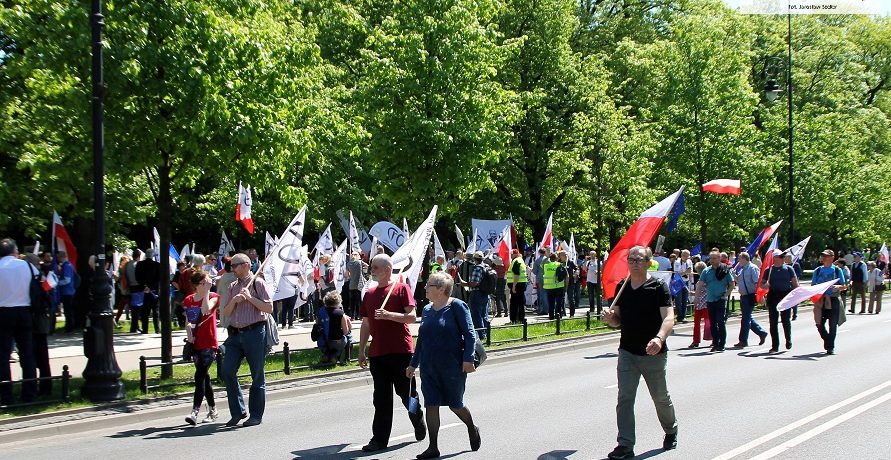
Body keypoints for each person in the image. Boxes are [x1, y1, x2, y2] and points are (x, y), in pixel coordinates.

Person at [602, 246, 677, 459]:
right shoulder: (622, 287)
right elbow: (617, 321)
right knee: (625, 398)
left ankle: (671, 430)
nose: (634, 263)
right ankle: (625, 445)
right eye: (631, 259)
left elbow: (669, 317)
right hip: (627, 351)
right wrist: (610, 319)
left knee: (660, 397)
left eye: (639, 259)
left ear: (648, 262)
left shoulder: (658, 287)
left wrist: (659, 338)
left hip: (653, 353)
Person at [407, 272, 481, 459]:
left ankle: (471, 428)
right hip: (429, 367)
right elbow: (422, 340)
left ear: (441, 289)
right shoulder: (426, 309)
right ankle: (433, 447)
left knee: (455, 405)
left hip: (452, 367)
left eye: (429, 285)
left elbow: (470, 334)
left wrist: (468, 358)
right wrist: (413, 364)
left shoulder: (457, 306)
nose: (425, 287)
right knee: (431, 404)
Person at [358, 254, 426, 452]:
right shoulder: (369, 294)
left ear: (387, 270)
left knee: (407, 395)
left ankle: (417, 417)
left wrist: (389, 315)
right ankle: (379, 439)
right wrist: (361, 350)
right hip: (377, 354)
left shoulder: (401, 288)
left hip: (401, 352)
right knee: (381, 399)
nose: (372, 270)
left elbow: (412, 317)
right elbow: (365, 324)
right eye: (372, 267)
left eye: (376, 267)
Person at [221, 253, 273, 427]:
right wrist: (234, 301)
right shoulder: (233, 286)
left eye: (234, 266)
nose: (232, 269)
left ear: (245, 265)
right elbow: (226, 312)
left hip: (254, 332)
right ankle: (238, 411)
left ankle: (256, 415)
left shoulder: (258, 283)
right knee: (227, 370)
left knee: (257, 374)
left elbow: (269, 308)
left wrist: (250, 298)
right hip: (235, 334)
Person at [0, 239, 38, 404]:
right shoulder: (26, 266)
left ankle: (5, 395)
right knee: (27, 354)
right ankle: (29, 393)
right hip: (24, 310)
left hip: (3, 312)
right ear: (15, 251)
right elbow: (39, 280)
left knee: (2, 355)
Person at [183, 269, 220, 425]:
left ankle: (195, 411)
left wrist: (207, 291)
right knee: (204, 377)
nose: (206, 284)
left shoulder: (213, 296)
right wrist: (189, 334)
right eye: (203, 283)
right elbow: (188, 321)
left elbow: (206, 310)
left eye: (207, 282)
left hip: (209, 343)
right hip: (196, 344)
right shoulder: (189, 300)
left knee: (199, 376)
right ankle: (213, 409)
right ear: (196, 285)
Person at [760, 251, 799, 353]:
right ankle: (775, 346)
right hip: (773, 296)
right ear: (774, 258)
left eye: (783, 256)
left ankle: (788, 340)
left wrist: (797, 295)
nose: (782, 258)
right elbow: (761, 284)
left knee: (785, 320)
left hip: (785, 297)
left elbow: (795, 283)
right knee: (773, 322)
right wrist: (765, 285)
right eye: (780, 256)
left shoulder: (789, 269)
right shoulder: (769, 270)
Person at [696, 251, 734, 352]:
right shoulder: (706, 271)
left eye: (714, 258)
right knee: (712, 323)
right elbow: (700, 284)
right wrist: (696, 298)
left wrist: (725, 295)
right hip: (710, 300)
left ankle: (722, 344)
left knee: (720, 322)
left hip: (720, 300)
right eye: (711, 258)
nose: (712, 260)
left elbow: (732, 284)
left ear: (719, 258)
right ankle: (715, 343)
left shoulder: (724, 269)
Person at [811, 249, 846, 355]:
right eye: (823, 256)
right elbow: (813, 285)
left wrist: (838, 287)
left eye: (826, 256)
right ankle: (827, 340)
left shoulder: (837, 270)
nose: (824, 258)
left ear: (832, 258)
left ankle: (830, 347)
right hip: (821, 300)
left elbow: (844, 286)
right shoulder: (817, 270)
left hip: (833, 299)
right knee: (819, 323)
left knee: (833, 324)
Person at [734, 252, 767, 348]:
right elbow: (739, 281)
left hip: (750, 295)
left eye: (739, 258)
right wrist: (734, 275)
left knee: (745, 319)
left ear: (744, 259)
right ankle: (761, 333)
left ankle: (743, 340)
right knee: (747, 317)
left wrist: (761, 296)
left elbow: (757, 282)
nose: (738, 261)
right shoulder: (742, 269)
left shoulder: (753, 268)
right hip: (743, 296)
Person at [461, 252, 491, 338]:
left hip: (476, 294)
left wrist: (464, 284)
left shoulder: (477, 268)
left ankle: (481, 334)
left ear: (474, 259)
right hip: (485, 293)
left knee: (476, 315)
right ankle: (486, 333)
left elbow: (474, 283)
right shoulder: (486, 267)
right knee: (484, 315)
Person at [318, 291, 352, 363]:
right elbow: (346, 331)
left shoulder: (321, 312)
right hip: (337, 342)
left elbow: (318, 325)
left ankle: (327, 355)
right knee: (348, 337)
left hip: (324, 341)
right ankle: (336, 356)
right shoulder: (340, 313)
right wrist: (348, 321)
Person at [135, 249, 161, 334]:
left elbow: (137, 277)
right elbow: (158, 278)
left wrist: (144, 286)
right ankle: (157, 329)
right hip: (154, 290)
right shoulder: (157, 265)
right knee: (155, 311)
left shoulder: (140, 264)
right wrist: (150, 287)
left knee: (145, 311)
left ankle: (145, 329)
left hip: (143, 290)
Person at [56, 250, 77, 333]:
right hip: (69, 291)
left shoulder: (67, 266)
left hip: (67, 292)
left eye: (58, 257)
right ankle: (69, 327)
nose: (57, 259)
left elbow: (67, 280)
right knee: (68, 310)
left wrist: (57, 282)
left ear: (61, 257)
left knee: (68, 310)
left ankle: (69, 328)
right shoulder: (67, 265)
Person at [672, 250, 693, 323]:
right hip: (678, 282)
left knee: (685, 300)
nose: (687, 257)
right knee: (678, 300)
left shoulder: (689, 261)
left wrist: (691, 282)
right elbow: (677, 273)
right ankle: (679, 316)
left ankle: (684, 316)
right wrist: (685, 272)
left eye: (688, 256)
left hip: (686, 282)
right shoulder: (677, 262)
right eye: (686, 256)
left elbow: (690, 272)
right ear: (682, 255)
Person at [542, 253, 565, 319]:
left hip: (549, 287)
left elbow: (542, 263)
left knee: (551, 303)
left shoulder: (546, 266)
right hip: (558, 287)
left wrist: (547, 257)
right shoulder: (559, 264)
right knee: (558, 303)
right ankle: (558, 317)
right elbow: (564, 274)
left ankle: (551, 317)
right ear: (557, 258)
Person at [508, 249, 528, 323]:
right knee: (520, 302)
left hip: (517, 284)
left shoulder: (516, 261)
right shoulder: (520, 260)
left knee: (514, 303)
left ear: (515, 254)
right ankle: (520, 319)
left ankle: (514, 320)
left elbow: (516, 274)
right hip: (520, 283)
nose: (511, 255)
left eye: (512, 254)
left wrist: (514, 286)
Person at [346, 251, 367, 319]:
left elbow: (347, 275)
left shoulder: (348, 264)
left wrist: (351, 276)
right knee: (360, 301)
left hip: (352, 284)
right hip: (360, 283)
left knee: (353, 301)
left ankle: (352, 316)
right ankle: (360, 316)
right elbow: (368, 266)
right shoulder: (360, 262)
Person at [491, 253, 508, 318]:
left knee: (497, 298)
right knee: (503, 298)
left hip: (497, 281)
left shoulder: (495, 268)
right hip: (503, 281)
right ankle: (506, 311)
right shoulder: (504, 267)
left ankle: (499, 312)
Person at [563, 251, 580, 317]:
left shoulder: (570, 262)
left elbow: (577, 268)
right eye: (564, 255)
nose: (565, 256)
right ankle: (562, 313)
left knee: (571, 298)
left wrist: (576, 273)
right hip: (561, 283)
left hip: (570, 283)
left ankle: (572, 314)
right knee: (561, 298)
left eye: (566, 255)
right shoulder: (559, 262)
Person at [586, 251, 601, 316]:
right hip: (589, 281)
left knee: (598, 295)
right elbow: (584, 269)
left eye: (593, 254)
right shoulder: (588, 262)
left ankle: (600, 307)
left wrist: (598, 271)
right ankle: (592, 308)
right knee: (591, 295)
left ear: (595, 255)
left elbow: (602, 269)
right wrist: (585, 260)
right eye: (591, 254)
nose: (592, 255)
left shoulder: (598, 262)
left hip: (597, 281)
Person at [534, 248, 549, 315]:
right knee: (548, 294)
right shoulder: (548, 260)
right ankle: (549, 308)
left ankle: (543, 309)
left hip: (540, 278)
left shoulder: (537, 260)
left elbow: (535, 271)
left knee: (542, 294)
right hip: (549, 278)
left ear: (539, 253)